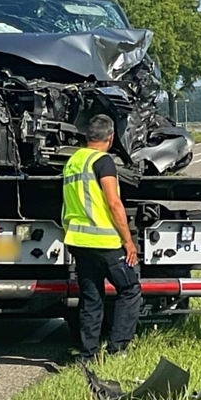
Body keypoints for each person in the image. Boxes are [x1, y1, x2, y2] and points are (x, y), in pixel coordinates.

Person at [62, 114, 142, 363]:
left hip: (78, 240)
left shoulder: (73, 161)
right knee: (130, 289)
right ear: (110, 138)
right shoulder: (103, 161)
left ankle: (88, 354)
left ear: (87, 137)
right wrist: (128, 241)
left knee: (91, 297)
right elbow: (113, 202)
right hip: (104, 241)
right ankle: (117, 349)